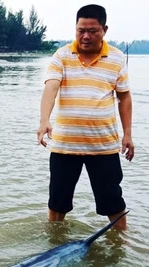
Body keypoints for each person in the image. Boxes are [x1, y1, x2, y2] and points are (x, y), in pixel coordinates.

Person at [36, 4, 134, 230]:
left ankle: (122, 246)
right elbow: (51, 88)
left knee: (113, 203)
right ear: (75, 28)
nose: (86, 36)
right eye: (81, 30)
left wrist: (128, 134)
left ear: (104, 30)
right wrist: (44, 121)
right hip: (64, 146)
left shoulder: (117, 58)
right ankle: (54, 244)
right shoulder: (62, 55)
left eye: (92, 30)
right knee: (57, 203)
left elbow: (125, 98)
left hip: (103, 146)